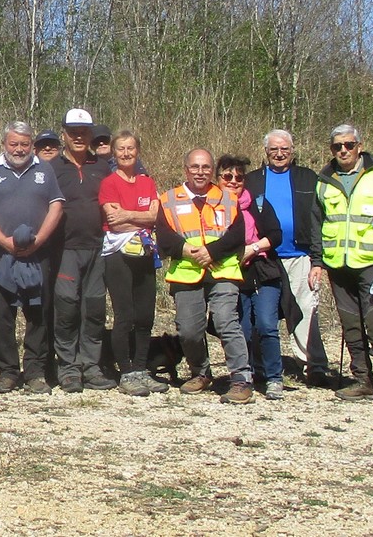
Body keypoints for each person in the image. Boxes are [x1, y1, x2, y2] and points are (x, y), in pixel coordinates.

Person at [309, 124, 373, 406]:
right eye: (337, 146)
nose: (343, 151)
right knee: (350, 325)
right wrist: (317, 261)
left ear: (359, 147)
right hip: (338, 264)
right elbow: (316, 223)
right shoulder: (324, 180)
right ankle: (363, 380)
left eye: (349, 145)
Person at [156, 149, 255, 404]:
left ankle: (241, 379)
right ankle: (201, 372)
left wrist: (211, 252)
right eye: (195, 167)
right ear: (186, 169)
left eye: (206, 167)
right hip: (186, 273)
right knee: (189, 331)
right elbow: (164, 237)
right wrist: (186, 250)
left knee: (226, 322)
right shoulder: (168, 199)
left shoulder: (227, 198)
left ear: (212, 171)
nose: (200, 172)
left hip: (222, 271)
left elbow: (237, 235)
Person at [0, 122, 64, 395]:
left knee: (37, 313)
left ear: (31, 145)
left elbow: (56, 206)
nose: (19, 149)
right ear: (4, 144)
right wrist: (3, 241)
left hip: (38, 253)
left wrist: (39, 241)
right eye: (14, 144)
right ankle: (8, 372)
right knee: (2, 314)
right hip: (1, 254)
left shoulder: (44, 169)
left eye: (24, 144)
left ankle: (35, 373)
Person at [244, 129, 329, 386]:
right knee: (262, 315)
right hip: (264, 257)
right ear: (266, 152)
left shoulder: (308, 178)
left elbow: (319, 220)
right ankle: (258, 365)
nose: (279, 154)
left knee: (306, 310)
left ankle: (313, 366)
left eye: (285, 149)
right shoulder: (252, 181)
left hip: (300, 255)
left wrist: (317, 260)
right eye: (274, 149)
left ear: (292, 151)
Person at [48, 109, 117, 392]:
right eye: (73, 132)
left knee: (94, 309)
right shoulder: (51, 168)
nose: (78, 136)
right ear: (63, 134)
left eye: (84, 132)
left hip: (98, 247)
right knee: (66, 307)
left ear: (91, 134)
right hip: (64, 249)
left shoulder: (102, 166)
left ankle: (91, 366)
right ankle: (68, 368)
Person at [98, 131, 166, 396]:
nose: (126, 153)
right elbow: (113, 222)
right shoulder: (109, 183)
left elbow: (155, 217)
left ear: (138, 151)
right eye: (121, 149)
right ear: (114, 153)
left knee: (145, 315)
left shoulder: (147, 182)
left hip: (145, 253)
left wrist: (128, 215)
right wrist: (140, 217)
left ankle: (140, 368)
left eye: (130, 149)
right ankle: (126, 372)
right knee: (124, 315)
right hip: (117, 255)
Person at [221, 155, 286, 400]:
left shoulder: (257, 203)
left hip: (262, 271)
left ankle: (274, 378)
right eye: (228, 176)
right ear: (218, 179)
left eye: (239, 177)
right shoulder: (213, 207)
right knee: (243, 330)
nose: (234, 181)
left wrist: (253, 248)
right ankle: (247, 373)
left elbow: (276, 235)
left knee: (267, 325)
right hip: (232, 274)